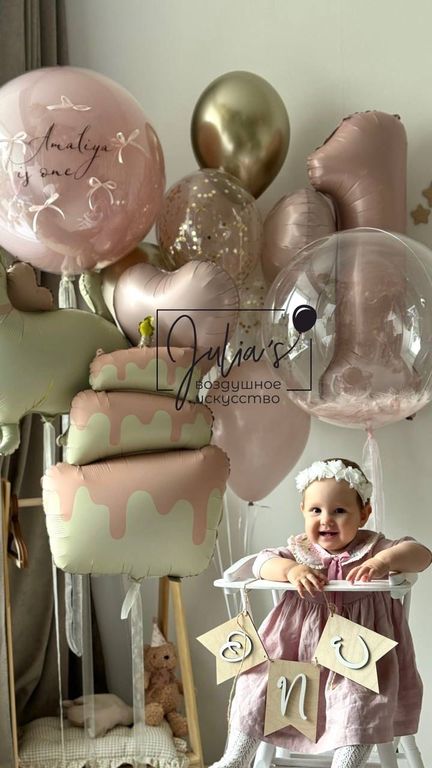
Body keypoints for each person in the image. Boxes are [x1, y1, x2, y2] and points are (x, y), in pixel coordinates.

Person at [212, 458, 432, 768]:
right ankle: (235, 759)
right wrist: (290, 571)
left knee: (359, 703)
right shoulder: (298, 552)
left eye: (339, 511)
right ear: (302, 510)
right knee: (256, 686)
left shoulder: (373, 549)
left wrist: (383, 562)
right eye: (315, 510)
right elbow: (262, 563)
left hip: (358, 658)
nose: (326, 519)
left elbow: (421, 555)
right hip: (295, 656)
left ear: (364, 513)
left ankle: (346, 763)